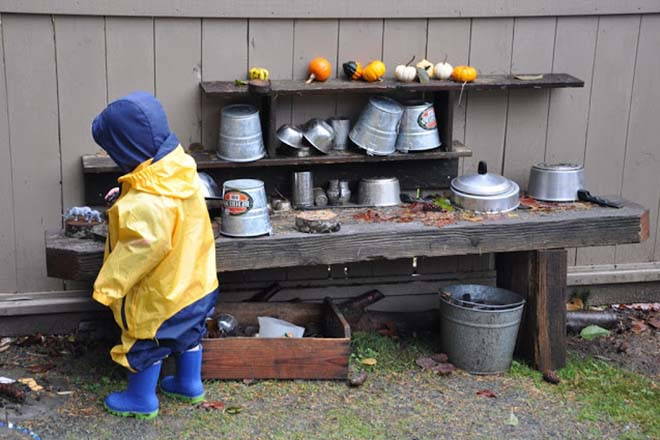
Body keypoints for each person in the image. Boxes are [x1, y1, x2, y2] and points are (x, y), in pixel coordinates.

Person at [91, 91, 219, 419]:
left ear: (126, 150)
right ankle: (190, 383)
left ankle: (140, 399)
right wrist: (127, 189)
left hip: (163, 296)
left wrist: (107, 287)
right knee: (189, 333)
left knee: (145, 341)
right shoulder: (179, 170)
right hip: (197, 284)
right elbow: (158, 193)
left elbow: (139, 251)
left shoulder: (145, 204)